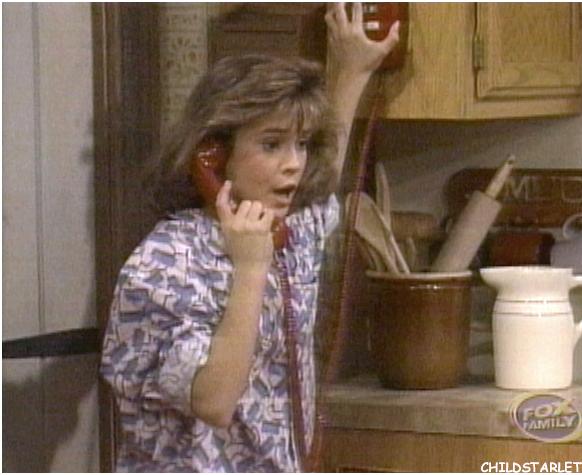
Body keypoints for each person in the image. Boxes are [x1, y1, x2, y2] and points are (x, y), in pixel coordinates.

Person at [100, 3, 399, 472]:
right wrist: (251, 268)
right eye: (271, 144)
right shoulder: (164, 262)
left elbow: (323, 180)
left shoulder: (289, 231)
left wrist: (351, 70)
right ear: (214, 155)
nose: (294, 164)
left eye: (300, 144)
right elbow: (214, 401)